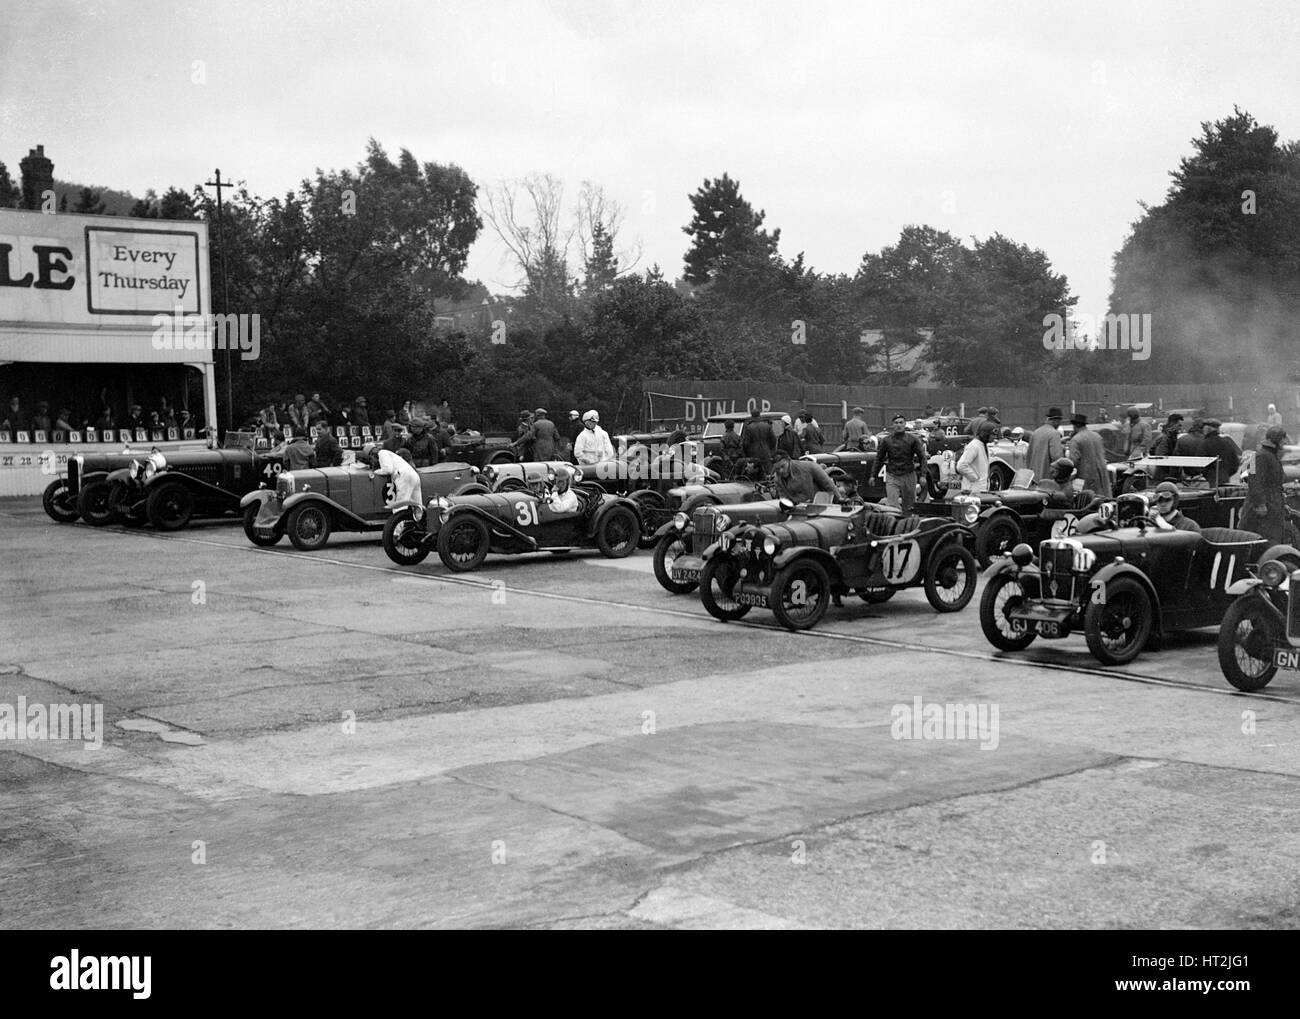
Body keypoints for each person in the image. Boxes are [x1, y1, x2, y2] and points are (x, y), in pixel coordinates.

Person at [1245, 426, 1288, 543]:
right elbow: (1253, 481)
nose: (1285, 442)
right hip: (1263, 508)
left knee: (1273, 538)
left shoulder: (1272, 456)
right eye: (1283, 439)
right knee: (1264, 540)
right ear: (1276, 439)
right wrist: (1260, 504)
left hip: (1273, 505)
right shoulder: (1258, 456)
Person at [877, 413, 928, 512]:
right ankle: (894, 525)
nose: (898, 425)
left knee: (909, 507)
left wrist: (923, 475)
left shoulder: (913, 439)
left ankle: (907, 525)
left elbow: (922, 457)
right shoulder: (886, 440)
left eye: (901, 422)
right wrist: (872, 475)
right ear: (892, 425)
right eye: (896, 423)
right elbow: (879, 458)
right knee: (892, 506)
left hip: (908, 474)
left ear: (905, 424)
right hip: (892, 475)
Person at [1067, 413, 1112, 497]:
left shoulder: (1076, 440)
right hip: (1102, 475)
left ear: (1075, 426)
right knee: (1103, 499)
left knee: (1088, 502)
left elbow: (1073, 461)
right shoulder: (1097, 436)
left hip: (1086, 478)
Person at [771, 449, 838, 503]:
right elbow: (783, 498)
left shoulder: (810, 467)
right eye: (777, 469)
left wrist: (840, 501)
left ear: (789, 461)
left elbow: (829, 485)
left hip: (817, 507)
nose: (781, 471)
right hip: (796, 511)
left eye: (783, 466)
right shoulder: (777, 479)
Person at [367, 442, 421, 507]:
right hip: (414, 476)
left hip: (403, 476)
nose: (372, 461)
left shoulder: (382, 453)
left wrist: (376, 472)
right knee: (418, 507)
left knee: (400, 507)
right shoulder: (390, 455)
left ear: (372, 455)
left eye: (370, 459)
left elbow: (388, 470)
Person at [956, 420, 996, 492]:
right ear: (985, 434)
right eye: (992, 435)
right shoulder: (974, 446)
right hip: (972, 490)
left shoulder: (983, 445)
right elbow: (961, 466)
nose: (994, 437)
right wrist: (975, 478)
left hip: (980, 489)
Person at [740, 408, 776, 473]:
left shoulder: (749, 427)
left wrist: (746, 453)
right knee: (768, 472)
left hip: (753, 453)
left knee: (754, 473)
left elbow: (746, 443)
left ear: (752, 416)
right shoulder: (767, 426)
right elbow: (773, 440)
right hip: (766, 452)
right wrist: (768, 448)